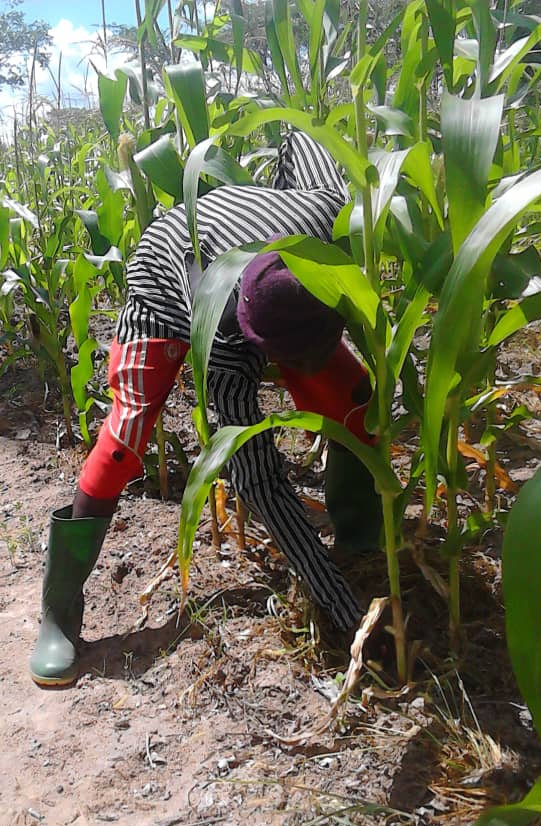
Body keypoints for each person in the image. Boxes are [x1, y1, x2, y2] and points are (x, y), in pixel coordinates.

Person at [29, 131, 382, 687]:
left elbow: (299, 136)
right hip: (163, 286)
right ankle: (60, 609)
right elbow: (258, 479)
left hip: (272, 280)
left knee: (355, 400)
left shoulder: (332, 218)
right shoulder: (220, 342)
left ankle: (362, 543)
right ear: (257, 344)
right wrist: (340, 607)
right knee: (124, 441)